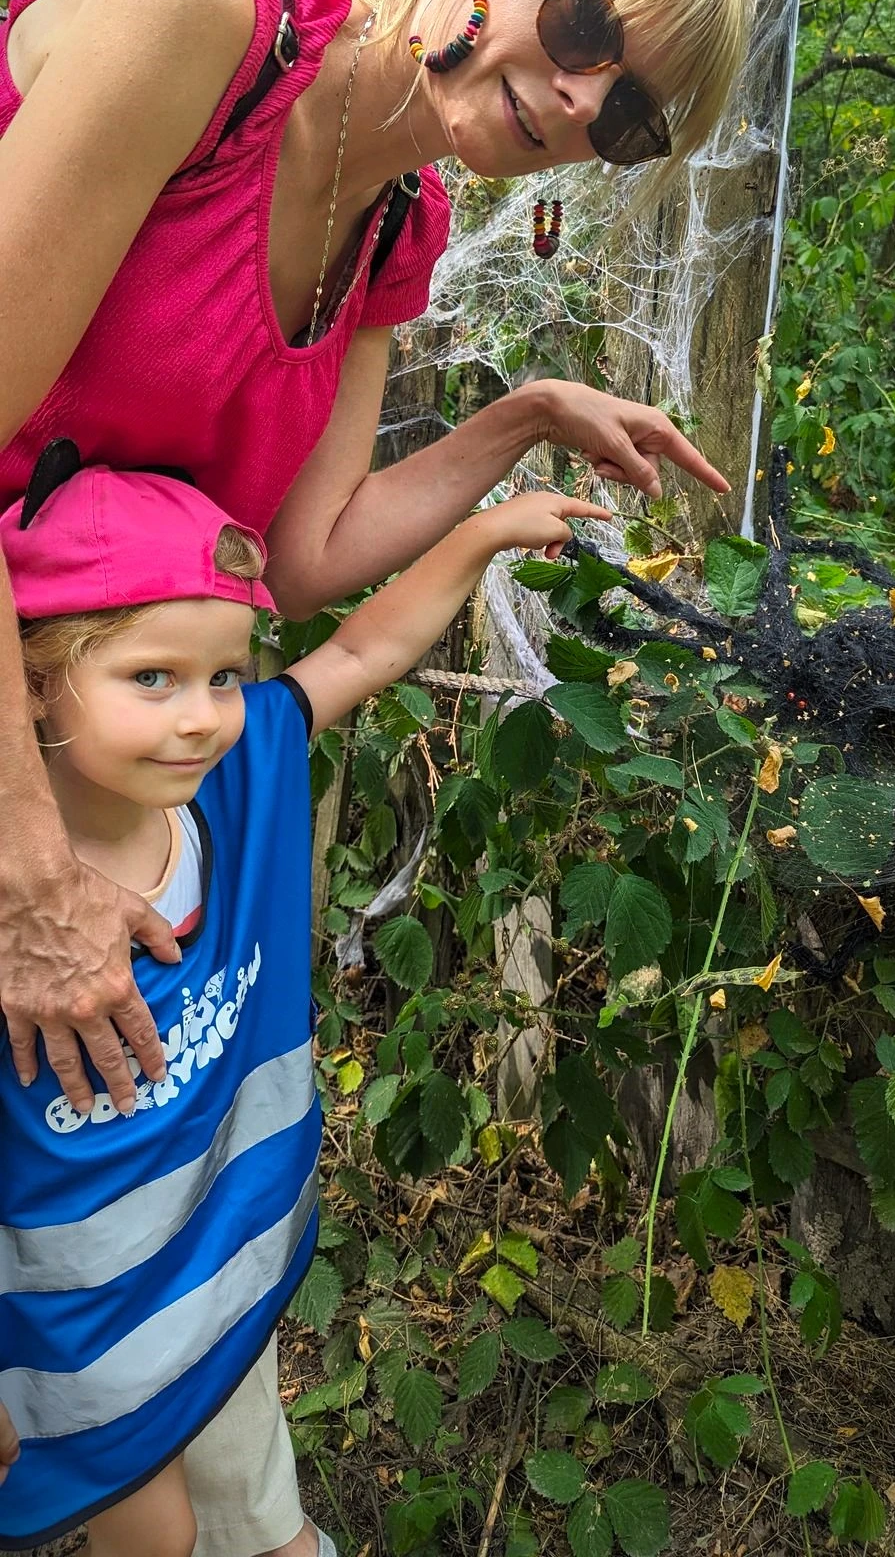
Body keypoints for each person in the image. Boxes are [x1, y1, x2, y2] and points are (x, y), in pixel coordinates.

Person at [0, 0, 750, 1122]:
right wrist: (26, 874)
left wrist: (526, 417)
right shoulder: (203, 25)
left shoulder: (397, 223)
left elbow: (296, 562)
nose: (581, 101)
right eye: (583, 21)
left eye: (627, 114)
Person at [0, 447, 612, 1555]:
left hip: (213, 1278)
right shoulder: (23, 936)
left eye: (224, 676)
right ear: (35, 681)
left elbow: (368, 646)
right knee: (158, 1536)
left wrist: (482, 532)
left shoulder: (236, 784)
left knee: (263, 1521)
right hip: (83, 1331)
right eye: (153, 678)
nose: (203, 718)